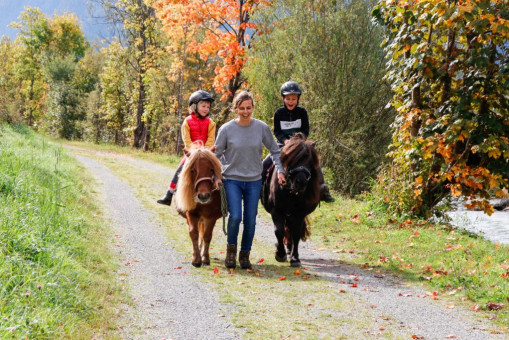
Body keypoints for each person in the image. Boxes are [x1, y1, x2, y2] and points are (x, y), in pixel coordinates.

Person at [215, 91, 286, 270]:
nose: (245, 111)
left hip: (254, 180)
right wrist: (217, 175)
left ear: (253, 107)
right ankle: (231, 251)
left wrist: (280, 171)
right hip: (232, 179)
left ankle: (245, 254)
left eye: (249, 108)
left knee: (251, 220)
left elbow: (275, 150)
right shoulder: (226, 129)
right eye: (242, 108)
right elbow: (217, 154)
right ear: (235, 108)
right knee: (235, 216)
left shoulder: (261, 128)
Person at [262, 80, 335, 203]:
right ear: (283, 98)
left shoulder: (302, 112)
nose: (291, 101)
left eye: (293, 99)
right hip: (283, 144)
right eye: (288, 98)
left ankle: (322, 189)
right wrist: (285, 141)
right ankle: (261, 189)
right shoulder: (279, 113)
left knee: (314, 161)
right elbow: (277, 131)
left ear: (298, 99)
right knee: (266, 162)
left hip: (300, 144)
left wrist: (301, 141)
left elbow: (305, 130)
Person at [157, 90, 216, 205]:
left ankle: (223, 195)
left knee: (217, 168)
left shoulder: (211, 123)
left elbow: (210, 139)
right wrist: (193, 151)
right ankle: (170, 193)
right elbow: (187, 140)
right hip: (192, 153)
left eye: (208, 107)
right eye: (203, 106)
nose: (206, 109)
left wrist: (206, 151)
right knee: (181, 169)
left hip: (206, 153)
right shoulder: (187, 122)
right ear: (194, 106)